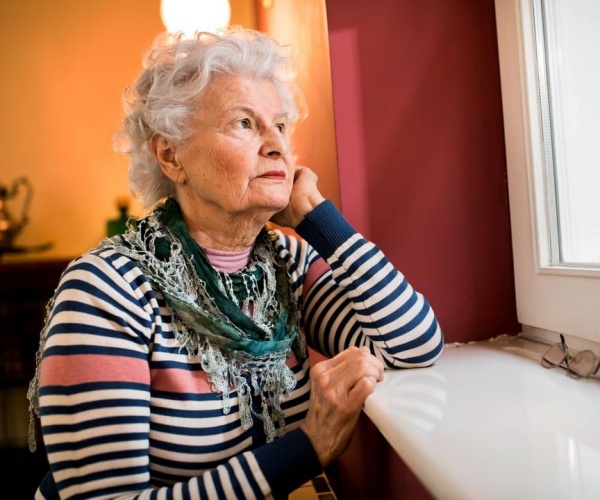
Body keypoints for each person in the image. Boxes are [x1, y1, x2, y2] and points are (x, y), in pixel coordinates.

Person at [27, 27, 444, 499]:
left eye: (281, 126)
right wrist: (307, 449)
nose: (277, 145)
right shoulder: (106, 288)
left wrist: (319, 218)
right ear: (171, 155)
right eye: (244, 124)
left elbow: (413, 345)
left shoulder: (286, 262)